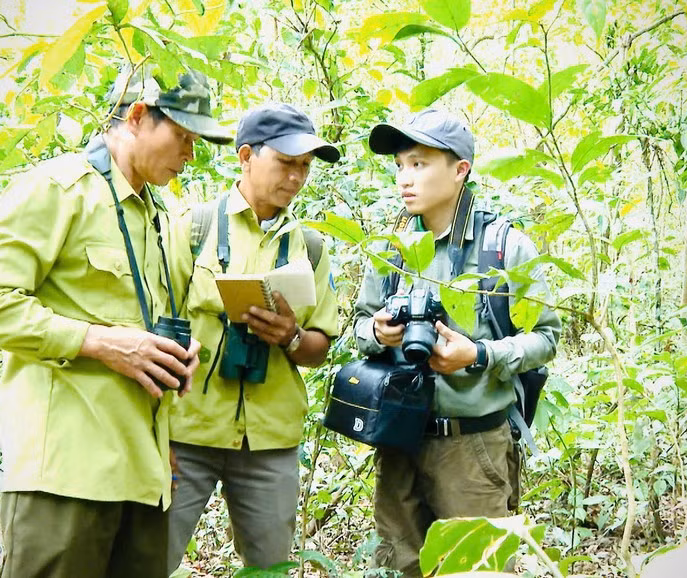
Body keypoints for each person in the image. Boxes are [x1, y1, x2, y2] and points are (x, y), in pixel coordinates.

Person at [0, 66, 231, 578]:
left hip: (143, 477)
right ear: (138, 116)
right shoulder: (59, 189)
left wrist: (168, 391)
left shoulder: (159, 215)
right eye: (183, 137)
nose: (190, 155)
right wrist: (98, 341)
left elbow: (142, 326)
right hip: (66, 477)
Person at [353, 108, 562, 577]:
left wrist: (480, 354)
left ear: (460, 170)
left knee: (477, 570)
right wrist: (377, 333)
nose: (405, 178)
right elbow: (360, 325)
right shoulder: (392, 250)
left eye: (420, 164)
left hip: (473, 448)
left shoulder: (504, 248)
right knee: (398, 566)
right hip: (398, 441)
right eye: (401, 165)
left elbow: (546, 338)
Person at [164, 103, 341, 571]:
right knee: (147, 557)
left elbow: (320, 345)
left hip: (269, 442)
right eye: (285, 163)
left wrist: (290, 336)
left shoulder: (312, 247)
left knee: (269, 567)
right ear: (245, 156)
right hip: (188, 433)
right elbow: (155, 323)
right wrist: (152, 432)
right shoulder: (194, 228)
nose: (296, 177)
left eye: (304, 167)